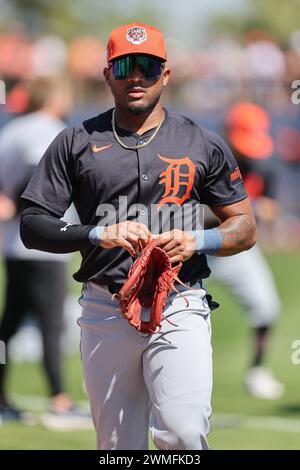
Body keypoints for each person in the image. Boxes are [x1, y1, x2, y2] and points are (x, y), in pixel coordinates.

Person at [20, 23, 256, 450]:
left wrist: (198, 240)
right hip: (105, 305)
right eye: (125, 66)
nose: (136, 76)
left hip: (179, 301)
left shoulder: (201, 142)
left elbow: (244, 225)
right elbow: (33, 224)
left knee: (184, 435)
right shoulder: (75, 141)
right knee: (118, 446)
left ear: (165, 74)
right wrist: (96, 233)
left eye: (147, 66)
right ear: (107, 74)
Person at [0, 76, 92, 429]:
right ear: (53, 96)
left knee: (7, 328)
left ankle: (2, 397)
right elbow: (34, 171)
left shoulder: (12, 129)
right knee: (51, 326)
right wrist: (21, 204)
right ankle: (59, 401)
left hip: (13, 244)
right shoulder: (48, 129)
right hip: (44, 243)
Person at [206, 102, 284, 399]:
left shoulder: (264, 164)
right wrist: (241, 213)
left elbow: (272, 208)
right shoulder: (209, 161)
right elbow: (193, 214)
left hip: (239, 249)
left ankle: (258, 370)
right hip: (200, 246)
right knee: (163, 308)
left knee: (267, 307)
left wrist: (249, 214)